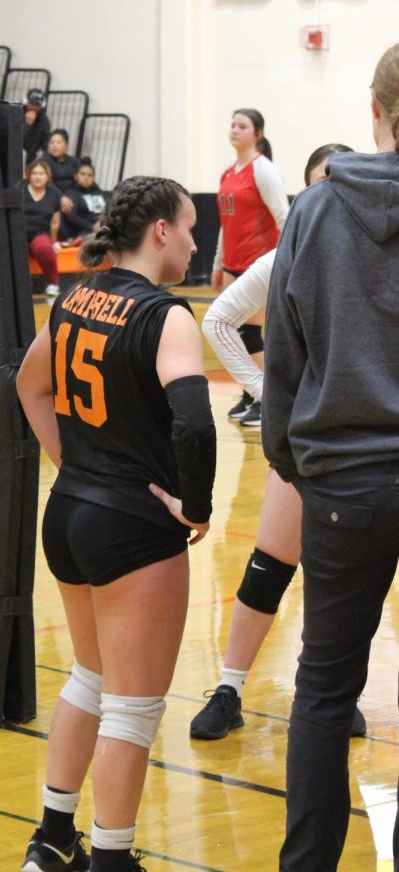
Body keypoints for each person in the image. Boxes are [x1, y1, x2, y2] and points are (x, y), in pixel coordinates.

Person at [16, 176, 215, 872]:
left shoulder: (74, 297)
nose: (195, 241)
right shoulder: (169, 316)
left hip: (68, 512)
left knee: (89, 681)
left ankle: (51, 837)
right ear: (159, 231)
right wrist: (195, 506)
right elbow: (194, 421)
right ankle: (112, 857)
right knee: (131, 709)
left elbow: (27, 383)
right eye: (189, 227)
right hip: (132, 526)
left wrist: (71, 459)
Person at [263, 46, 399, 872]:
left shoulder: (313, 212)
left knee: (323, 692)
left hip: (343, 479)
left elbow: (283, 353)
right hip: (347, 471)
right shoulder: (312, 209)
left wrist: (294, 459)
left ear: (376, 109)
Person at [190, 144, 366, 742]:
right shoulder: (288, 252)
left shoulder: (371, 253)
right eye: (319, 187)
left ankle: (335, 689)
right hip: (306, 441)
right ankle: (230, 687)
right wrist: (265, 392)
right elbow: (217, 319)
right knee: (271, 564)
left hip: (365, 442)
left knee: (342, 573)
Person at [213, 108, 288, 425]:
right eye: (232, 125)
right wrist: (218, 262)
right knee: (236, 329)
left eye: (242, 126)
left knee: (249, 332)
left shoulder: (264, 170)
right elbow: (224, 223)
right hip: (233, 262)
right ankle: (250, 392)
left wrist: (287, 259)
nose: (234, 130)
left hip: (258, 263)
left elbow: (284, 216)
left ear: (257, 133)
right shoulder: (229, 173)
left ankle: (267, 398)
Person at [24, 158, 62, 298]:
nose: (38, 177)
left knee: (43, 247)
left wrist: (53, 241)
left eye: (41, 174)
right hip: (19, 234)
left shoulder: (54, 194)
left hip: (40, 234)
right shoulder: (20, 188)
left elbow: (55, 222)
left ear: (47, 176)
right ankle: (23, 286)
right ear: (29, 175)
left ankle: (53, 283)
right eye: (34, 173)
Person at [59, 161, 108, 243]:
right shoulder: (71, 193)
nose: (86, 178)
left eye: (90, 175)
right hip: (85, 232)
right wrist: (92, 227)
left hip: (103, 227)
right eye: (83, 174)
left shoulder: (99, 193)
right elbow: (72, 218)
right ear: (75, 176)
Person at [23, 88, 51, 167]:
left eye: (37, 105)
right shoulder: (16, 114)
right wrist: (27, 125)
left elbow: (46, 142)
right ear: (26, 102)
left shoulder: (43, 120)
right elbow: (14, 141)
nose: (34, 107)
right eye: (32, 104)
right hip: (14, 154)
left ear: (42, 106)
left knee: (45, 155)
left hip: (32, 156)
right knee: (22, 153)